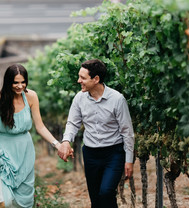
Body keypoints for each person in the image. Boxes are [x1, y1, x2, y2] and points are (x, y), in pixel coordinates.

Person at [0, 64, 68, 208]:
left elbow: (40, 126)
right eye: (16, 82)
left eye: (23, 82)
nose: (20, 86)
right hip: (2, 152)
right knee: (5, 202)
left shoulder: (31, 96)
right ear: (8, 81)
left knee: (24, 202)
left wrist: (57, 144)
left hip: (24, 152)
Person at [57, 59, 135, 208]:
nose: (79, 80)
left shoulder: (117, 99)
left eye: (83, 78)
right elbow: (73, 123)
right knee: (96, 200)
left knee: (106, 192)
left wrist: (129, 160)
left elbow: (127, 132)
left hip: (113, 154)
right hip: (91, 154)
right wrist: (66, 141)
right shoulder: (79, 98)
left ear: (96, 79)